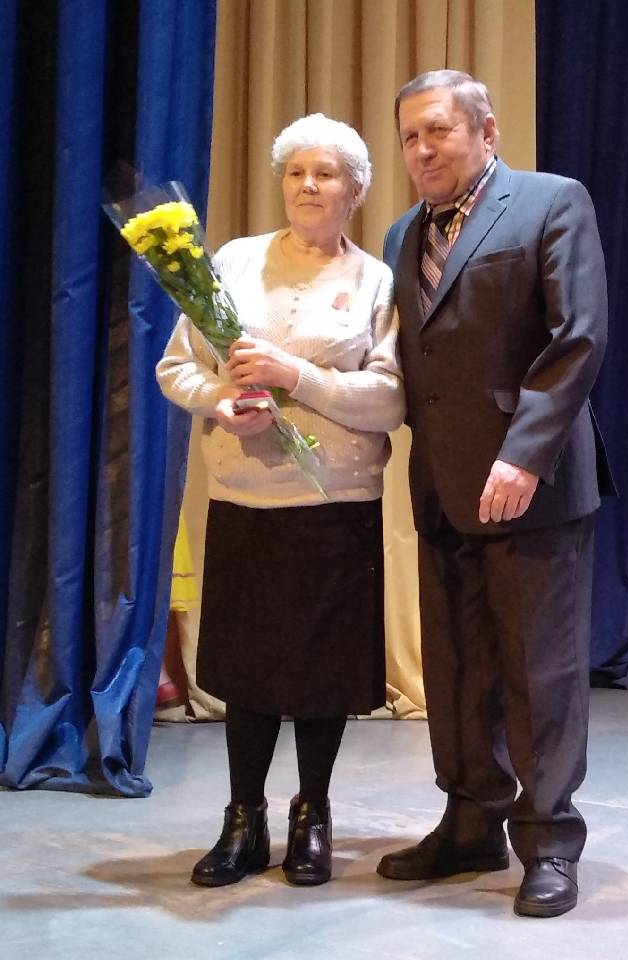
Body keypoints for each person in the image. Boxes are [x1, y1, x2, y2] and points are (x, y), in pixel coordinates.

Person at [375, 70, 613, 918]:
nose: (422, 149)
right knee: (457, 668)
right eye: (409, 136)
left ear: (487, 132)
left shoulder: (551, 202)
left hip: (531, 487)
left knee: (539, 671)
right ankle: (471, 820)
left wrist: (524, 455)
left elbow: (577, 336)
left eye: (438, 130)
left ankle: (548, 841)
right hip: (443, 488)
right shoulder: (402, 233)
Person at [156, 114, 404, 888]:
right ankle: (243, 819)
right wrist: (220, 401)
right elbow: (177, 367)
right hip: (246, 499)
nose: (307, 185)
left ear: (355, 190)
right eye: (295, 171)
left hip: (337, 501)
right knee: (248, 669)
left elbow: (389, 399)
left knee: (323, 671)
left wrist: (297, 377)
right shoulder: (231, 262)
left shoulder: (376, 280)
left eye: (325, 173)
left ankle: (312, 816)